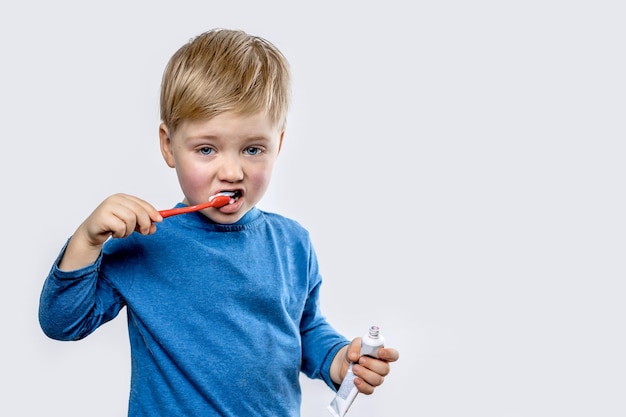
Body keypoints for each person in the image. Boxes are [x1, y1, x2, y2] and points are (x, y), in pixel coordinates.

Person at [38, 28, 399, 417]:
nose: (232, 171)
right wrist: (86, 242)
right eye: (207, 149)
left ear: (278, 145)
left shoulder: (293, 244)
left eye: (252, 149)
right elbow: (62, 323)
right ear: (168, 145)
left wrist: (338, 360)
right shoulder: (143, 242)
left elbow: (304, 330)